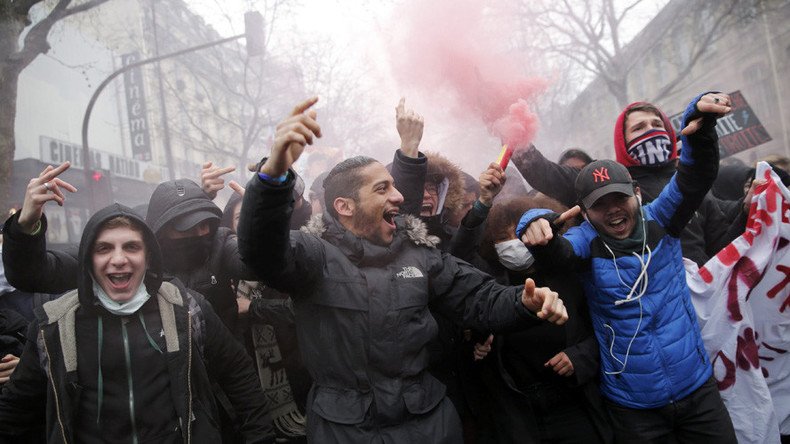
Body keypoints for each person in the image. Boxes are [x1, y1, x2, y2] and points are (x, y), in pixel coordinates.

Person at [237, 97, 569, 442]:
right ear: (345, 207)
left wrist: (525, 302)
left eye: (394, 186)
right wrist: (272, 177)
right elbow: (260, 251)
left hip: (430, 423)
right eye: (383, 188)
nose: (399, 197)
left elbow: (479, 298)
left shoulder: (419, 253)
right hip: (346, 431)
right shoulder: (314, 256)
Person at [516, 92, 737, 442]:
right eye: (600, 205)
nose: (614, 210)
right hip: (633, 410)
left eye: (619, 198)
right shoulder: (585, 242)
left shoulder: (662, 218)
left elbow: (695, 175)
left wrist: (699, 128)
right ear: (584, 212)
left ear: (636, 193)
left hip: (698, 392)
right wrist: (534, 222)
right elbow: (556, 252)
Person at [0, 203, 274, 443]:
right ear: (88, 259)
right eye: (104, 248)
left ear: (148, 257)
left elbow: (239, 376)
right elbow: (14, 412)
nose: (119, 259)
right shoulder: (55, 326)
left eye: (131, 247)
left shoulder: (187, 309)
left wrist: (260, 438)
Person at [512, 100, 729, 267]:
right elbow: (545, 173)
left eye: (656, 124)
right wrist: (512, 132)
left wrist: (750, 206)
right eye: (639, 128)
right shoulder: (611, 182)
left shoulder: (687, 182)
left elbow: (723, 241)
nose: (651, 131)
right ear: (622, 140)